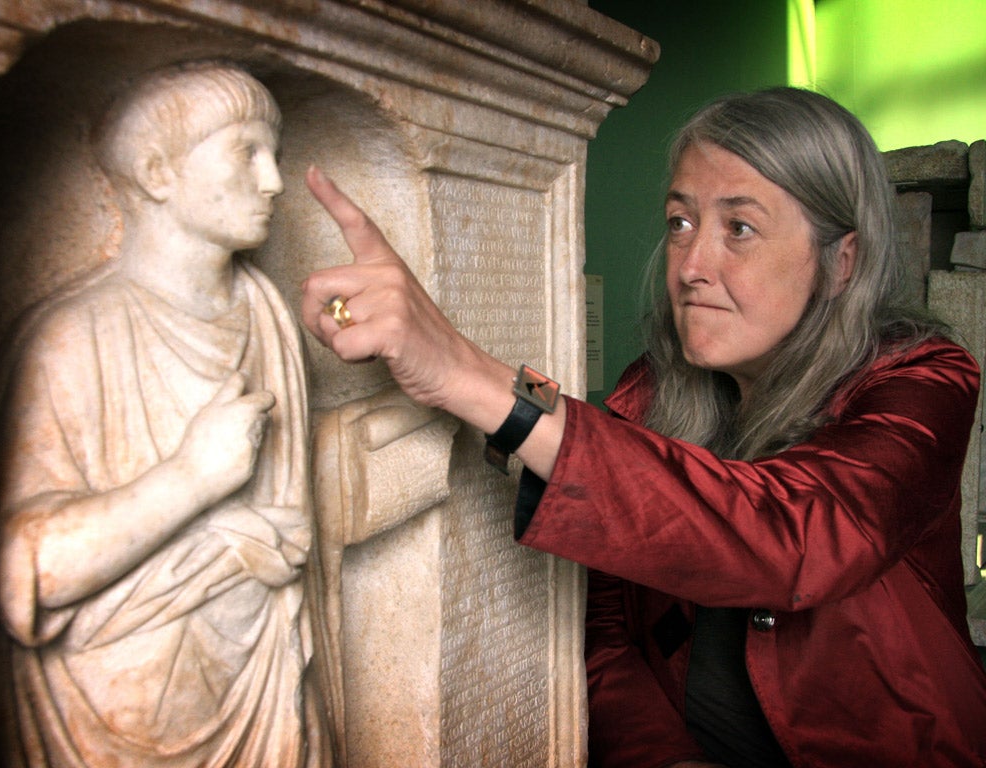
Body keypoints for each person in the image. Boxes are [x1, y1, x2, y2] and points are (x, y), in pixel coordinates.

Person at [298, 86, 986, 767]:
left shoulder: (925, 380)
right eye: (680, 222)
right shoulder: (649, 385)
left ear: (844, 262)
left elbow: (798, 534)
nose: (690, 266)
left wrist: (467, 372)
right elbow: (609, 630)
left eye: (738, 229)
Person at [0, 61, 338, 768]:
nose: (273, 179)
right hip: (122, 708)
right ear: (157, 173)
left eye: (273, 152)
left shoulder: (265, 310)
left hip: (266, 681)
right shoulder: (73, 337)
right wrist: (191, 478)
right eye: (246, 150)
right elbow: (28, 571)